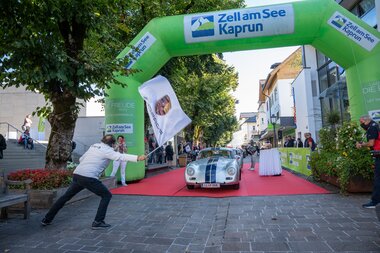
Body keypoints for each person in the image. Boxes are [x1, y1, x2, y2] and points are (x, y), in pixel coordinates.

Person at [41, 134, 146, 229]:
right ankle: (98, 221)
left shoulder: (94, 146)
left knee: (65, 197)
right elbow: (120, 156)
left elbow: (82, 159)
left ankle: (47, 219)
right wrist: (138, 158)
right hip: (89, 177)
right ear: (113, 144)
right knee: (106, 195)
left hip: (78, 174)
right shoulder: (108, 150)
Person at [356, 115, 380, 209]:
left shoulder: (372, 128)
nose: (361, 124)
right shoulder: (376, 125)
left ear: (366, 120)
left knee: (378, 179)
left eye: (361, 122)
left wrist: (361, 144)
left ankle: (374, 201)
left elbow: (371, 143)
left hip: (379, 154)